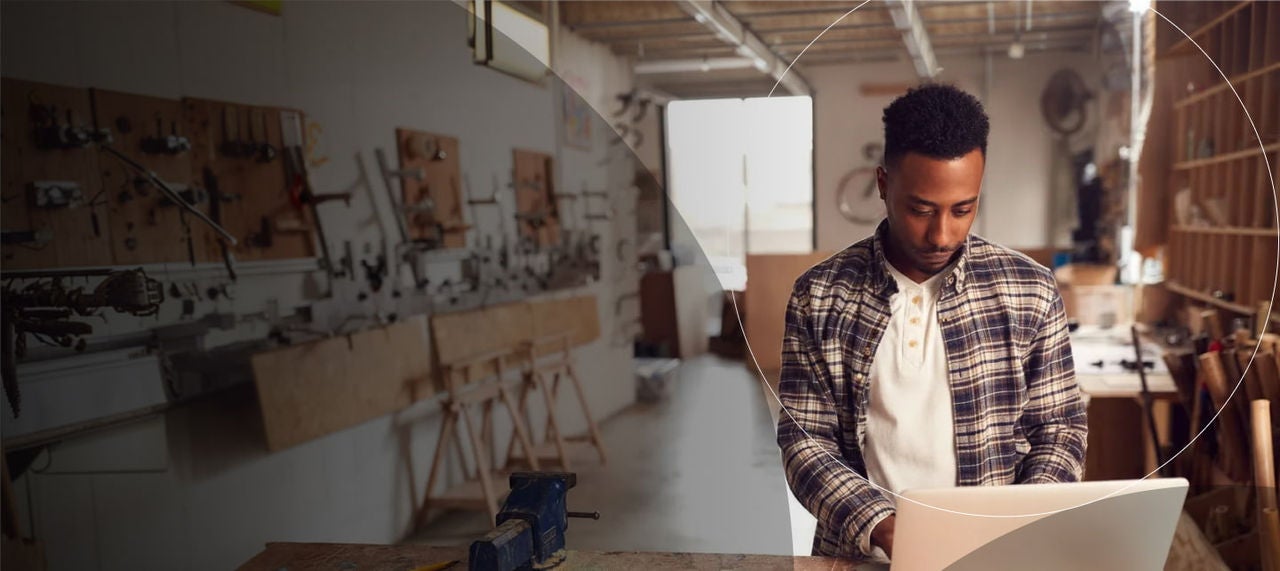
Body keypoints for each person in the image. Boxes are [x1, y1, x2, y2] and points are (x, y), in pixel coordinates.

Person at [776, 83, 1087, 561]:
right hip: (860, 554)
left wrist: (1021, 518)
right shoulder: (820, 296)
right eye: (920, 209)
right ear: (883, 185)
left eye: (963, 209)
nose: (942, 234)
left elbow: (1060, 428)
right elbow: (804, 440)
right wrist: (882, 526)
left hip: (993, 554)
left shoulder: (1030, 290)